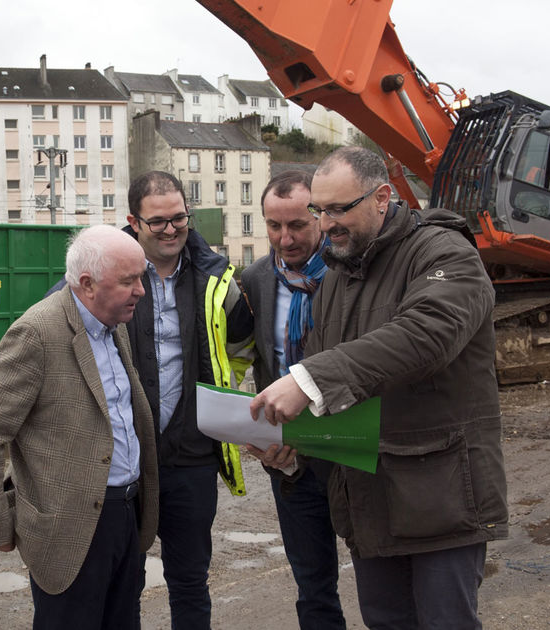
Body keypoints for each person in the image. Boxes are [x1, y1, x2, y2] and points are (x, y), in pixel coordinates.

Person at [250, 146, 508, 629]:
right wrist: (292, 449)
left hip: (440, 497)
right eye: (319, 211)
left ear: (382, 197)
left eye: (338, 209)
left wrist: (307, 381)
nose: (325, 224)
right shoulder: (340, 274)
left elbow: (426, 335)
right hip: (371, 497)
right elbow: (342, 393)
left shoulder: (444, 252)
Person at [0, 224, 160, 629]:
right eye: (129, 280)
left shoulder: (115, 323)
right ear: (87, 284)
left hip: (125, 514)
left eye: (142, 277)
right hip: (70, 528)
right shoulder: (37, 333)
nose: (141, 290)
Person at [123, 170, 253, 630]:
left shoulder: (215, 279)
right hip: (126, 460)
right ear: (133, 221)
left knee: (190, 582)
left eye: (179, 217)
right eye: (157, 221)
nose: (171, 229)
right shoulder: (106, 274)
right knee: (123, 585)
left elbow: (240, 346)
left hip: (191, 457)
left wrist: (219, 398)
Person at [240, 169, 347, 630]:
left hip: (354, 449)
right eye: (273, 225)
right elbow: (258, 365)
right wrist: (259, 435)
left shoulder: (352, 271)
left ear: (321, 217)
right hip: (292, 462)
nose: (284, 239)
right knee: (313, 587)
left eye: (298, 225)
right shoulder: (257, 279)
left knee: (386, 580)